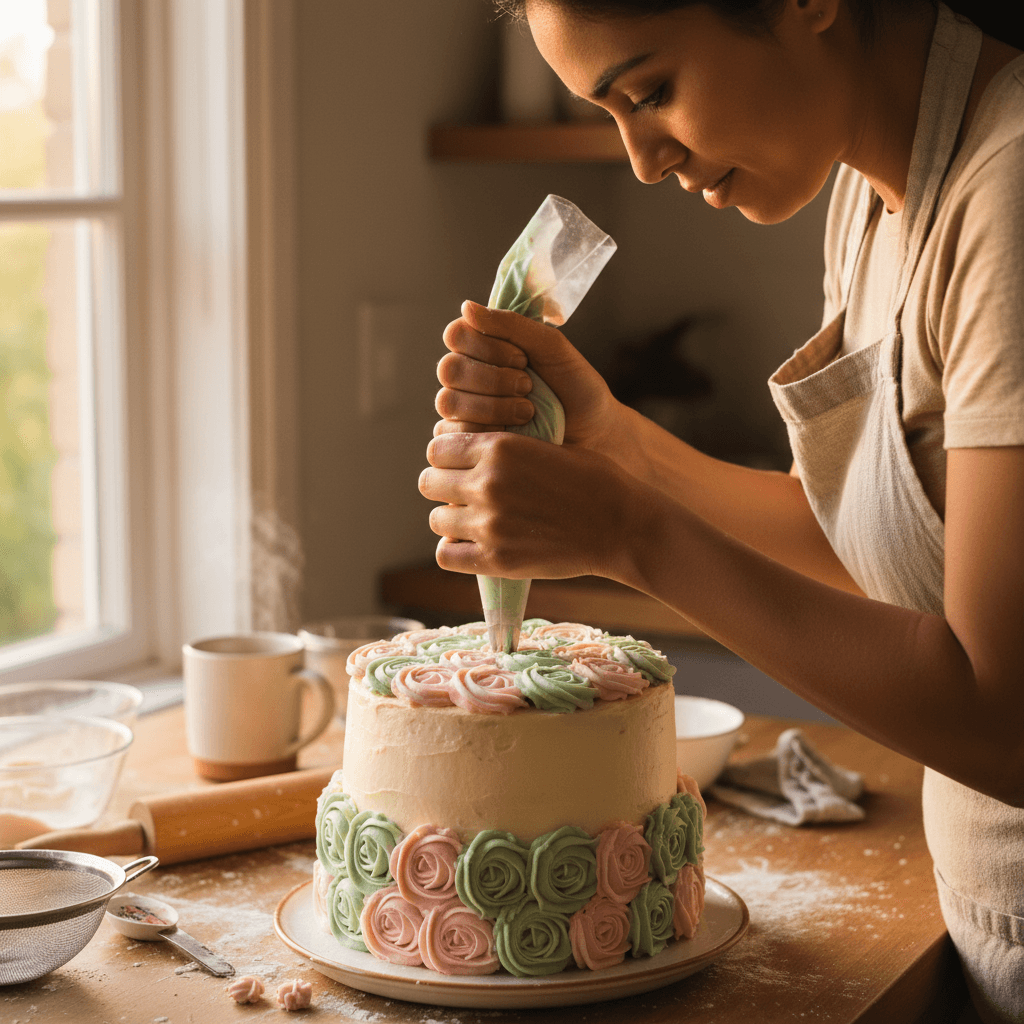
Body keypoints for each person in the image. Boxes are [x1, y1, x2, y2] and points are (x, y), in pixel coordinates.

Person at [418, 0, 1024, 1019]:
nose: (644, 159)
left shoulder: (1007, 193)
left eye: (649, 93)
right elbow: (882, 544)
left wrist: (629, 534)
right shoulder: (873, 191)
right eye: (608, 114)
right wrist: (617, 445)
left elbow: (1006, 719)